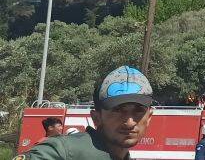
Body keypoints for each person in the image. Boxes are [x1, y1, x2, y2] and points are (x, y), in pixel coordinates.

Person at [17, 65, 154, 160]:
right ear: (96, 117)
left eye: (138, 110)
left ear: (149, 117)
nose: (130, 122)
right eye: (118, 110)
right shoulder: (64, 151)